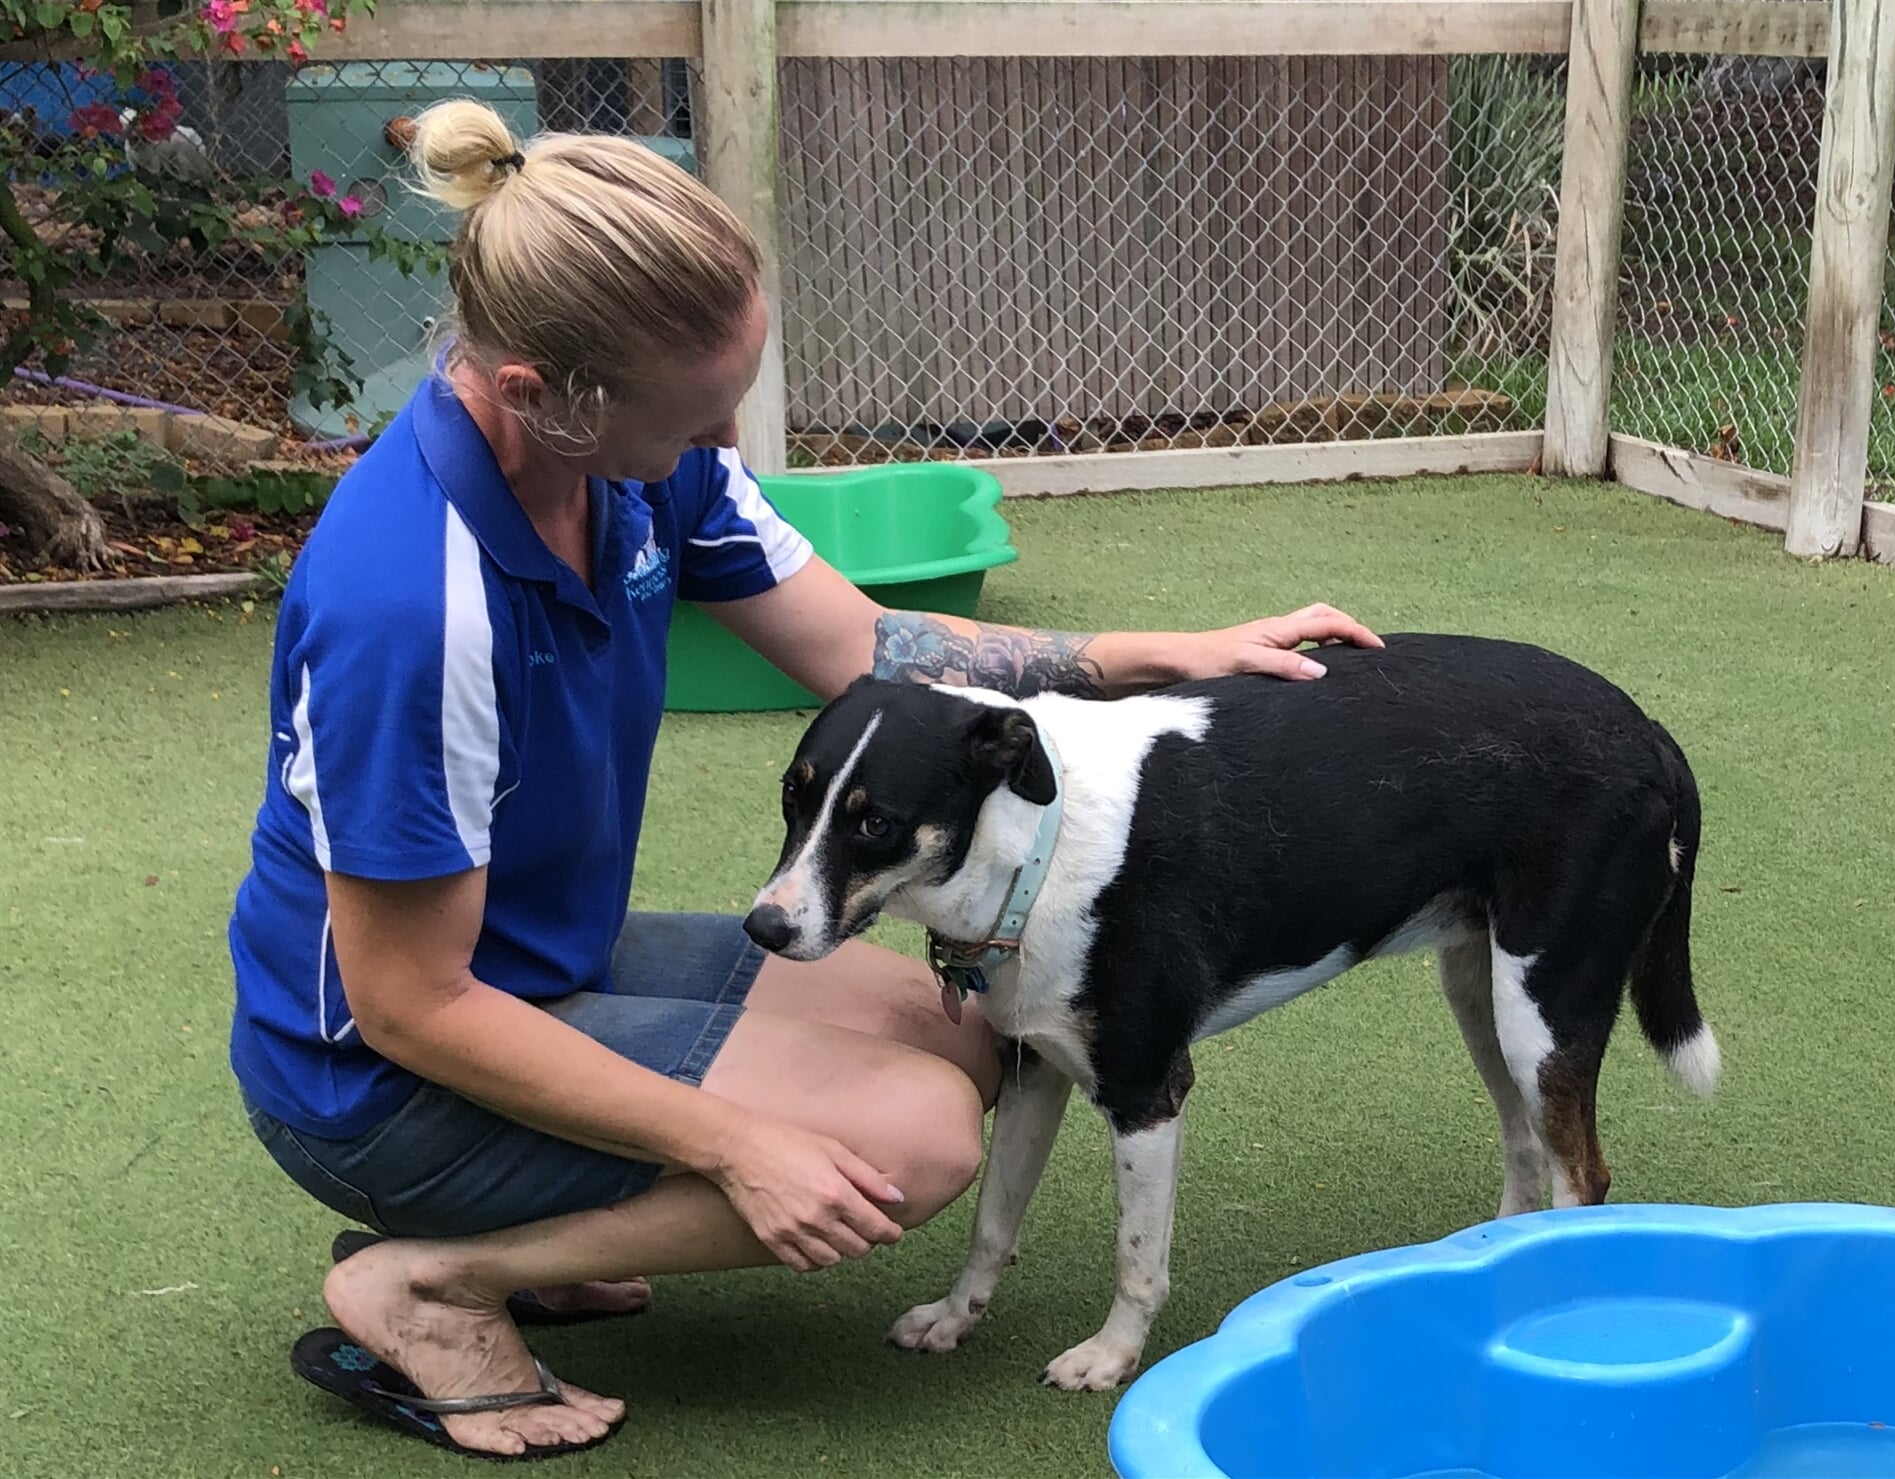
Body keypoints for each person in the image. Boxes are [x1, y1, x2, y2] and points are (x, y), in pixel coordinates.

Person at [227, 96, 1384, 1460]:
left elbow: (866, 648)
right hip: (374, 1081)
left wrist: (1156, 658)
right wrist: (730, 1145)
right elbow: (410, 1007)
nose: (724, 443)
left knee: (963, 1025)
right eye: (693, 419)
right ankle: (436, 1281)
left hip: (543, 965)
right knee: (917, 1140)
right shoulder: (412, 609)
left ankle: (554, 1233)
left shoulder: (632, 469)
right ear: (539, 394)